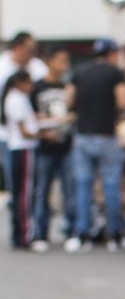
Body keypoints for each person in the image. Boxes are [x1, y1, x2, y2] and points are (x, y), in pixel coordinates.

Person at [65, 38, 125, 253]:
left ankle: (83, 234)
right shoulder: (115, 74)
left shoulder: (79, 73)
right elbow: (123, 102)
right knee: (111, 185)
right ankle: (115, 235)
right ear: (111, 53)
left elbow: (68, 101)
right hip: (107, 135)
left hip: (83, 136)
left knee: (83, 186)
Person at [31, 48, 75, 253]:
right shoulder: (37, 87)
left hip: (66, 145)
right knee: (43, 191)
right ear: (49, 61)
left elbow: (74, 111)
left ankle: (70, 232)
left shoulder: (68, 86)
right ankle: (40, 233)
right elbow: (30, 116)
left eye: (67, 61)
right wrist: (45, 128)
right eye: (61, 60)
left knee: (69, 191)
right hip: (44, 147)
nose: (65, 65)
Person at [0, 31, 47, 211]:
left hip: (30, 138)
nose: (32, 53)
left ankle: (26, 216)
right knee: (16, 183)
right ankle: (20, 218)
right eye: (29, 49)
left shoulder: (37, 67)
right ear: (17, 48)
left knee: (31, 183)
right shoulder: (2, 66)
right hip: (9, 135)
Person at [3, 70, 37, 249]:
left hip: (18, 148)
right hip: (22, 148)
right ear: (20, 82)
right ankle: (23, 235)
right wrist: (45, 134)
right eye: (29, 82)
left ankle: (18, 234)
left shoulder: (15, 97)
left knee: (19, 193)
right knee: (23, 194)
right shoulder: (16, 99)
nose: (31, 86)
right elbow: (24, 130)